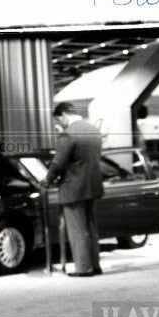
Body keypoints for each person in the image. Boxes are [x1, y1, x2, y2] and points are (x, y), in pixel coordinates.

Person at [45, 101, 104, 277]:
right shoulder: (93, 130)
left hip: (74, 189)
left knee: (77, 230)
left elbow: (58, 163)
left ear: (63, 115)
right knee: (90, 226)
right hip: (93, 185)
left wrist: (47, 180)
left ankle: (83, 268)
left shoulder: (68, 135)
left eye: (57, 120)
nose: (58, 124)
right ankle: (95, 265)